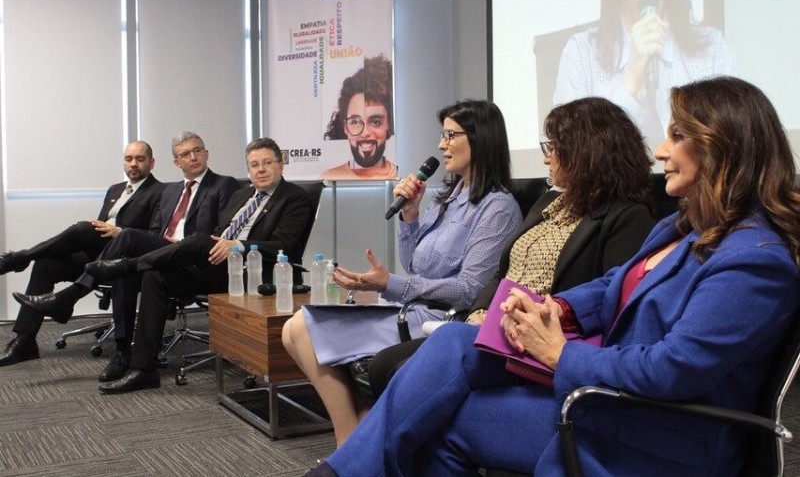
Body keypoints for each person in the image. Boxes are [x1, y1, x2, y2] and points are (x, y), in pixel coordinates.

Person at [309, 76, 800, 477]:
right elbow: (612, 285)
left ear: (720, 147)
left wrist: (562, 353)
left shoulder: (755, 260)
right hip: (615, 398)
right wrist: (557, 307)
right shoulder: (683, 226)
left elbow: (673, 368)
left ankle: (343, 472)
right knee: (455, 344)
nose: (659, 150)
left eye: (675, 135)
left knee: (438, 420)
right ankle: (342, 472)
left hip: (660, 432)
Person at [368, 96, 658, 397]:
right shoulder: (550, 202)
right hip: (492, 325)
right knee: (385, 366)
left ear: (585, 151)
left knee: (406, 370)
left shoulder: (626, 217)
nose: (546, 159)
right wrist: (480, 311)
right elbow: (503, 270)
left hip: (534, 338)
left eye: (553, 148)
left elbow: (608, 300)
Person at [285, 99, 523, 446]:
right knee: (290, 331)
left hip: (442, 320)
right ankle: (359, 434)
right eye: (442, 135)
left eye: (450, 135)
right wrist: (409, 216)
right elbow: (415, 265)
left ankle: (348, 441)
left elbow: (471, 290)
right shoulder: (447, 197)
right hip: (410, 308)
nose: (441, 144)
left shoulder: (498, 208)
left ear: (480, 138)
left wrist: (390, 284)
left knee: (301, 328)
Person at [86, 137, 313, 394]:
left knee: (198, 239)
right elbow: (219, 232)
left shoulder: (294, 198)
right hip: (214, 265)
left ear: (281, 165)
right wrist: (211, 245)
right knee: (155, 275)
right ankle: (144, 369)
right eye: (254, 165)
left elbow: (284, 245)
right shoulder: (242, 195)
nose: (260, 170)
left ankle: (129, 265)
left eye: (267, 163)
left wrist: (238, 245)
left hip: (249, 271)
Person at [15, 131, 240, 381]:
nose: (193, 157)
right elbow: (156, 232)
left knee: (124, 242)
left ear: (206, 153)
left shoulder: (223, 184)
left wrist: (166, 243)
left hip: (192, 255)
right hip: (159, 250)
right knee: (107, 262)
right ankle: (113, 352)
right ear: (177, 162)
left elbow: (222, 231)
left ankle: (68, 296)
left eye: (197, 151)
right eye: (185, 154)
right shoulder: (171, 191)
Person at [0, 141, 164, 367]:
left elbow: (155, 236)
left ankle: (19, 258)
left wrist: (120, 232)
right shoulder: (115, 190)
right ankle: (24, 342)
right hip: (100, 254)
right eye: (128, 159)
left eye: (140, 159)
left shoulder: (161, 191)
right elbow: (99, 227)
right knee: (46, 262)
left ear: (152, 163)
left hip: (128, 258)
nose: (133, 164)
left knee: (83, 228)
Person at [552, 0, 736, 147]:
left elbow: (733, 150)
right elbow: (573, 157)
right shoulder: (581, 55)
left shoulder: (713, 51)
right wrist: (631, 82)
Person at [320, 55, 398, 180]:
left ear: (388, 124)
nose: (365, 133)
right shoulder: (329, 178)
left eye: (375, 122)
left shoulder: (402, 178)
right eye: (355, 122)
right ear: (345, 127)